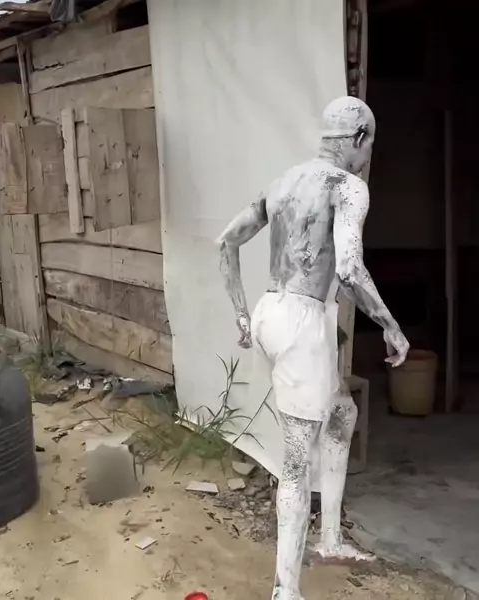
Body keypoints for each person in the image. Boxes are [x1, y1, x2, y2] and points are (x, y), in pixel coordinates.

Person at [216, 96, 409, 600]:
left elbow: (227, 241)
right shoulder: (348, 186)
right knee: (297, 464)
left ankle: (330, 538)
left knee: (342, 412)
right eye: (370, 146)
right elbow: (348, 269)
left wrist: (242, 313)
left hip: (270, 314)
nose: (367, 157)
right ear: (359, 138)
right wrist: (390, 325)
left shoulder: (283, 181)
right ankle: (285, 590)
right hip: (302, 323)